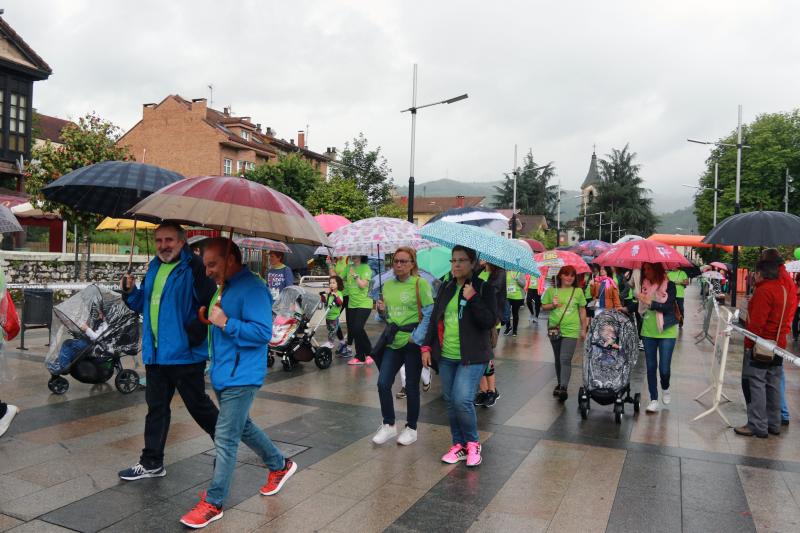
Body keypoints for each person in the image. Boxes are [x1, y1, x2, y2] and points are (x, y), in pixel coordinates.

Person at [180, 239, 296, 528]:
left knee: (225, 437)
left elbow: (262, 333)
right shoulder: (226, 286)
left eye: (212, 265)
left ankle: (214, 502)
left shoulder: (253, 288)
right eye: (205, 265)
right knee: (242, 426)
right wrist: (214, 320)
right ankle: (280, 464)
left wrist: (225, 323)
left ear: (230, 259)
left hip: (242, 376)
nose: (207, 271)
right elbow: (226, 322)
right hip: (223, 372)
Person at [118, 222, 219, 481]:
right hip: (156, 354)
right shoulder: (154, 267)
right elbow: (143, 304)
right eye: (159, 240)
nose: (163, 245)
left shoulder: (194, 267)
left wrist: (195, 328)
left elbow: (211, 302)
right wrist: (130, 291)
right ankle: (151, 462)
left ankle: (226, 446)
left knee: (198, 406)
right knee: (156, 409)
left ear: (182, 242)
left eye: (169, 240)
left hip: (185, 353)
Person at [421, 246, 497, 467]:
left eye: (462, 260)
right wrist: (426, 347)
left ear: (472, 263)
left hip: (473, 355)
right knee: (451, 402)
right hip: (446, 355)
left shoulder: (483, 288)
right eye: (453, 260)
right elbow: (435, 319)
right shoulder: (445, 287)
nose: (456, 264)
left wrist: (473, 298)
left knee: (462, 400)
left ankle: (473, 443)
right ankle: (459, 445)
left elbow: (490, 321)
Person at [372, 247, 434, 446]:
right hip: (393, 340)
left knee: (411, 387)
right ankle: (389, 424)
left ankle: (411, 428)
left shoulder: (420, 284)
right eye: (396, 261)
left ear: (412, 264)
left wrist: (416, 337)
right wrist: (381, 311)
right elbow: (385, 318)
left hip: (412, 342)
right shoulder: (387, 285)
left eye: (403, 261)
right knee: (383, 383)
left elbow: (429, 313)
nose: (398, 264)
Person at [734, 260, 790, 439]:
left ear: (760, 274)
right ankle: (774, 423)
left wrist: (748, 345)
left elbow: (757, 324)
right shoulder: (783, 289)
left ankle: (757, 424)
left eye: (755, 273)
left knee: (756, 384)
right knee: (773, 384)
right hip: (778, 344)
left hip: (761, 345)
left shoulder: (763, 291)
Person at [759, 248, 797, 426]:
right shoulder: (785, 278)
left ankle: (781, 412)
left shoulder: (778, 279)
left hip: (774, 334)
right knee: (776, 375)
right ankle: (780, 412)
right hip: (781, 331)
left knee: (775, 376)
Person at [541, 266, 588, 402]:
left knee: (565, 358)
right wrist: (553, 305)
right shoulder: (551, 291)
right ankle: (560, 383)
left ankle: (563, 387)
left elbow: (582, 311)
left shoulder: (578, 291)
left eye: (572, 275)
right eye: (566, 275)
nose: (569, 278)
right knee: (558, 359)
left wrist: (583, 329)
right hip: (554, 328)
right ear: (560, 275)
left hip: (571, 330)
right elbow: (543, 307)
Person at [638, 262, 679, 413]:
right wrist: (626, 307)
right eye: (644, 269)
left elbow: (667, 307)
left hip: (666, 331)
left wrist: (650, 302)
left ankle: (665, 387)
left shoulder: (670, 286)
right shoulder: (644, 286)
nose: (646, 272)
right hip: (648, 331)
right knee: (650, 366)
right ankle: (653, 399)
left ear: (656, 269)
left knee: (664, 369)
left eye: (648, 269)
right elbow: (641, 307)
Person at [475, 262, 506, 407]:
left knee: (486, 357)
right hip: (479, 319)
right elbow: (472, 279)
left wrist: (474, 292)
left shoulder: (500, 273)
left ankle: (492, 391)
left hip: (492, 321)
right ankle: (483, 390)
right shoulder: (484, 271)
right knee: (478, 357)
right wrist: (480, 267)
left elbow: (491, 291)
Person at [48, 307, 110, 373]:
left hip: (93, 344)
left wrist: (87, 329)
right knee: (71, 344)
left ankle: (63, 366)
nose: (99, 314)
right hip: (90, 341)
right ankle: (60, 362)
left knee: (67, 343)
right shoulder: (101, 322)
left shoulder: (105, 325)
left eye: (100, 313)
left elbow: (98, 338)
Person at [345, 256, 374, 366]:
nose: (353, 255)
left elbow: (362, 285)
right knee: (353, 330)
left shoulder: (366, 268)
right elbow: (337, 277)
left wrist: (355, 275)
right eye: (352, 253)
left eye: (356, 254)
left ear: (361, 255)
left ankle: (370, 352)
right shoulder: (348, 267)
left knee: (358, 328)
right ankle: (359, 356)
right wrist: (330, 265)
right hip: (352, 304)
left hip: (364, 303)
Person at [329, 256, 351, 355]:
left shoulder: (348, 259)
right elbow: (332, 279)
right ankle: (342, 342)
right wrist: (330, 264)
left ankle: (349, 347)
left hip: (349, 295)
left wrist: (332, 270)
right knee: (333, 319)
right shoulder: (336, 261)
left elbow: (338, 279)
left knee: (350, 323)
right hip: (339, 295)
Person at [322, 275, 346, 353]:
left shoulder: (339, 293)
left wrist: (336, 296)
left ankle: (330, 342)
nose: (331, 284)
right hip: (328, 316)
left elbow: (340, 303)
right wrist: (323, 297)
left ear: (338, 284)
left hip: (334, 317)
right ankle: (342, 342)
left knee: (332, 331)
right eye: (330, 283)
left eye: (333, 283)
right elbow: (326, 303)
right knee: (331, 329)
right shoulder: (329, 294)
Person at [504, 270, 525, 336]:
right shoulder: (507, 272)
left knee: (515, 313)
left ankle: (515, 330)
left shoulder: (520, 272)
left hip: (517, 296)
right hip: (507, 296)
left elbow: (523, 285)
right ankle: (508, 327)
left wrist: (517, 279)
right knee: (506, 312)